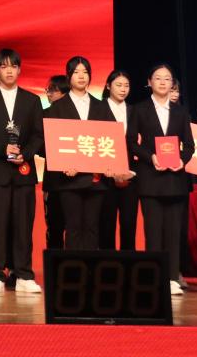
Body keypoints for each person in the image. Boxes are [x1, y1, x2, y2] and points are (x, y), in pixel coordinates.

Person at [0, 48, 44, 294]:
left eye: (13, 66)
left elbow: (38, 134)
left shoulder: (31, 100)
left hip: (23, 171)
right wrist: (2, 149)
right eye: (4, 66)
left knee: (23, 225)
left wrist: (26, 152)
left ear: (19, 69)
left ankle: (23, 274)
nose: (9, 71)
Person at [126, 63, 194, 296]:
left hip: (175, 178)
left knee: (173, 233)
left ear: (172, 83)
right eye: (158, 78)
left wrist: (182, 160)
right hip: (150, 178)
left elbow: (190, 145)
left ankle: (172, 278)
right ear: (149, 82)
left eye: (167, 78)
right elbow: (131, 141)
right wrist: (151, 157)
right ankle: (154, 276)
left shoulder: (181, 111)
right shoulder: (139, 109)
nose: (163, 82)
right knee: (153, 232)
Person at [42, 56, 113, 250]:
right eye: (76, 72)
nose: (81, 76)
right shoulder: (57, 108)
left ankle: (90, 268)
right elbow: (49, 142)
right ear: (68, 76)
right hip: (69, 180)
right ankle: (73, 269)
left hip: (95, 179)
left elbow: (109, 139)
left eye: (85, 72)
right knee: (72, 228)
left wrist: (108, 165)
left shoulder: (102, 106)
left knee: (92, 228)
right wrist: (63, 163)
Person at [100, 69, 139, 253]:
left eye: (126, 85)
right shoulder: (98, 108)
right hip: (105, 175)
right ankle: (107, 266)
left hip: (130, 174)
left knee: (129, 224)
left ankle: (128, 264)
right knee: (106, 224)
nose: (123, 89)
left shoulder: (134, 111)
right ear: (108, 86)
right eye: (118, 85)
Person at [42, 74, 69, 250]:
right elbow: (38, 145)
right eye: (48, 90)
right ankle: (54, 263)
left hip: (77, 179)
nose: (48, 93)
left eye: (53, 90)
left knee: (75, 228)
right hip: (53, 180)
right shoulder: (44, 114)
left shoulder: (76, 114)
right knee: (54, 227)